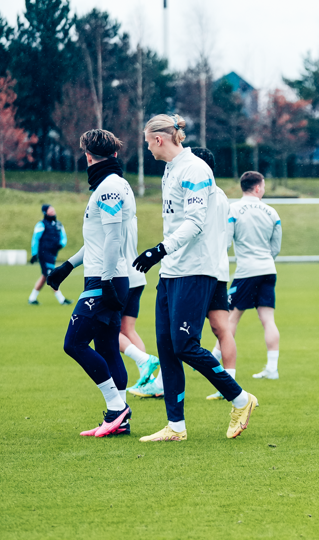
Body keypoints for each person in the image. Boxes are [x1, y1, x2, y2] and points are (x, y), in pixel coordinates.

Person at [131, 114, 257, 442]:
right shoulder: (171, 170)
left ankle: (241, 399)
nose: (146, 146)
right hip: (172, 271)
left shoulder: (196, 169)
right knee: (168, 347)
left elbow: (195, 222)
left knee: (186, 344)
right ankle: (176, 426)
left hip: (196, 270)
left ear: (160, 138)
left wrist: (160, 249)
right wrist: (164, 256)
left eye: (147, 140)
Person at [46, 129, 136, 437]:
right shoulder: (111, 184)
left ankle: (117, 408)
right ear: (114, 154)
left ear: (87, 156)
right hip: (108, 276)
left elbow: (113, 238)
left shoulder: (108, 187)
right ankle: (120, 420)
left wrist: (107, 279)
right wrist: (67, 266)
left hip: (105, 278)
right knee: (109, 347)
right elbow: (100, 241)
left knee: (73, 343)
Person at [190, 147, 240, 400]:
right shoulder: (222, 195)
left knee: (181, 335)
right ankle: (230, 384)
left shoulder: (203, 193)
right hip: (219, 269)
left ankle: (165, 383)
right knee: (222, 328)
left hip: (200, 269)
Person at [225, 171, 283, 380]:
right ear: (257, 187)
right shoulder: (272, 212)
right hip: (268, 269)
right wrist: (266, 259)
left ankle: (218, 362)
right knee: (268, 319)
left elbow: (226, 241)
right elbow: (275, 247)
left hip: (246, 271)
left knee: (231, 317)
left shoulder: (233, 209)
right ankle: (272, 368)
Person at [119, 202, 160, 393]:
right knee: (128, 329)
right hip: (136, 275)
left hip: (121, 276)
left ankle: (143, 360)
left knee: (104, 330)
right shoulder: (131, 216)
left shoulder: (111, 214)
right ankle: (149, 380)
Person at [29, 204, 72, 305]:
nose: (53, 211)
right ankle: (61, 299)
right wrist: (34, 253)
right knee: (50, 275)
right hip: (44, 254)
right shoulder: (41, 224)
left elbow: (63, 237)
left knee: (45, 276)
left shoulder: (58, 224)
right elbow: (35, 239)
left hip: (53, 254)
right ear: (45, 212)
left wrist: (61, 244)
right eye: (50, 210)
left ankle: (32, 298)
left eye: (53, 209)